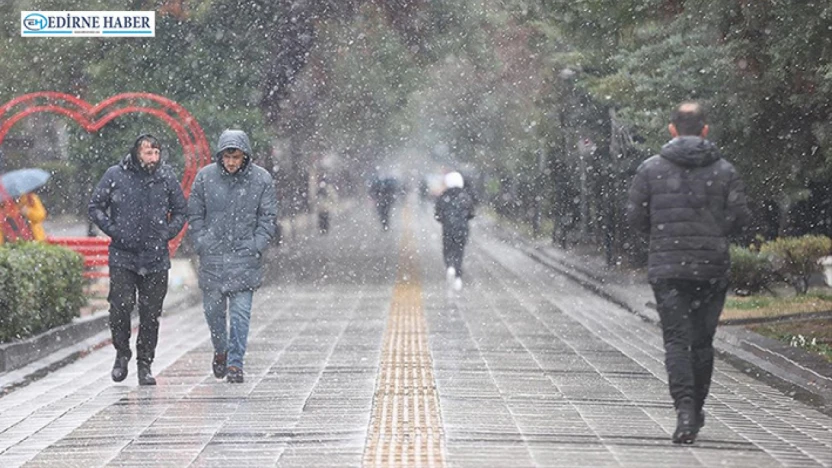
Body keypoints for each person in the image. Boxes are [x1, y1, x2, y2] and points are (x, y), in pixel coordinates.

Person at [627, 102, 750, 444]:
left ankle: (684, 410)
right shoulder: (725, 171)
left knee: (676, 341)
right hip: (711, 267)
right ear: (705, 130)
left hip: (667, 268)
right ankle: (696, 408)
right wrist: (712, 234)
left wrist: (663, 236)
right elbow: (739, 216)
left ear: (672, 129)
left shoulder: (650, 169)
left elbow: (635, 216)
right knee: (702, 342)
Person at [89, 134, 187, 386]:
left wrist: (166, 232)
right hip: (123, 255)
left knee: (150, 314)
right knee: (120, 307)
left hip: (155, 257)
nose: (153, 159)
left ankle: (145, 364)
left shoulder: (165, 177)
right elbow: (95, 207)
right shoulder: (115, 175)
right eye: (147, 153)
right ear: (136, 153)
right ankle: (122, 353)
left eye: (156, 153)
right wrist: (114, 230)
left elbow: (180, 210)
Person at [188, 129, 278, 384]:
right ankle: (221, 350)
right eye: (227, 157)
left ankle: (236, 363)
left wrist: (256, 244)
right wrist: (202, 242)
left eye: (236, 157)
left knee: (240, 315)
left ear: (244, 156)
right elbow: (195, 213)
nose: (231, 163)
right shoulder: (205, 178)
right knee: (213, 313)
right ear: (220, 156)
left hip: (245, 258)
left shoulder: (261, 180)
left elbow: (268, 216)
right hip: (212, 259)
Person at [434, 171, 476, 291]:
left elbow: (438, 214)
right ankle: (458, 276)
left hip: (448, 228)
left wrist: (444, 220)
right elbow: (471, 213)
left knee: (447, 249)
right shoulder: (465, 196)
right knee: (459, 251)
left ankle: (449, 266)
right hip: (462, 229)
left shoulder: (443, 196)